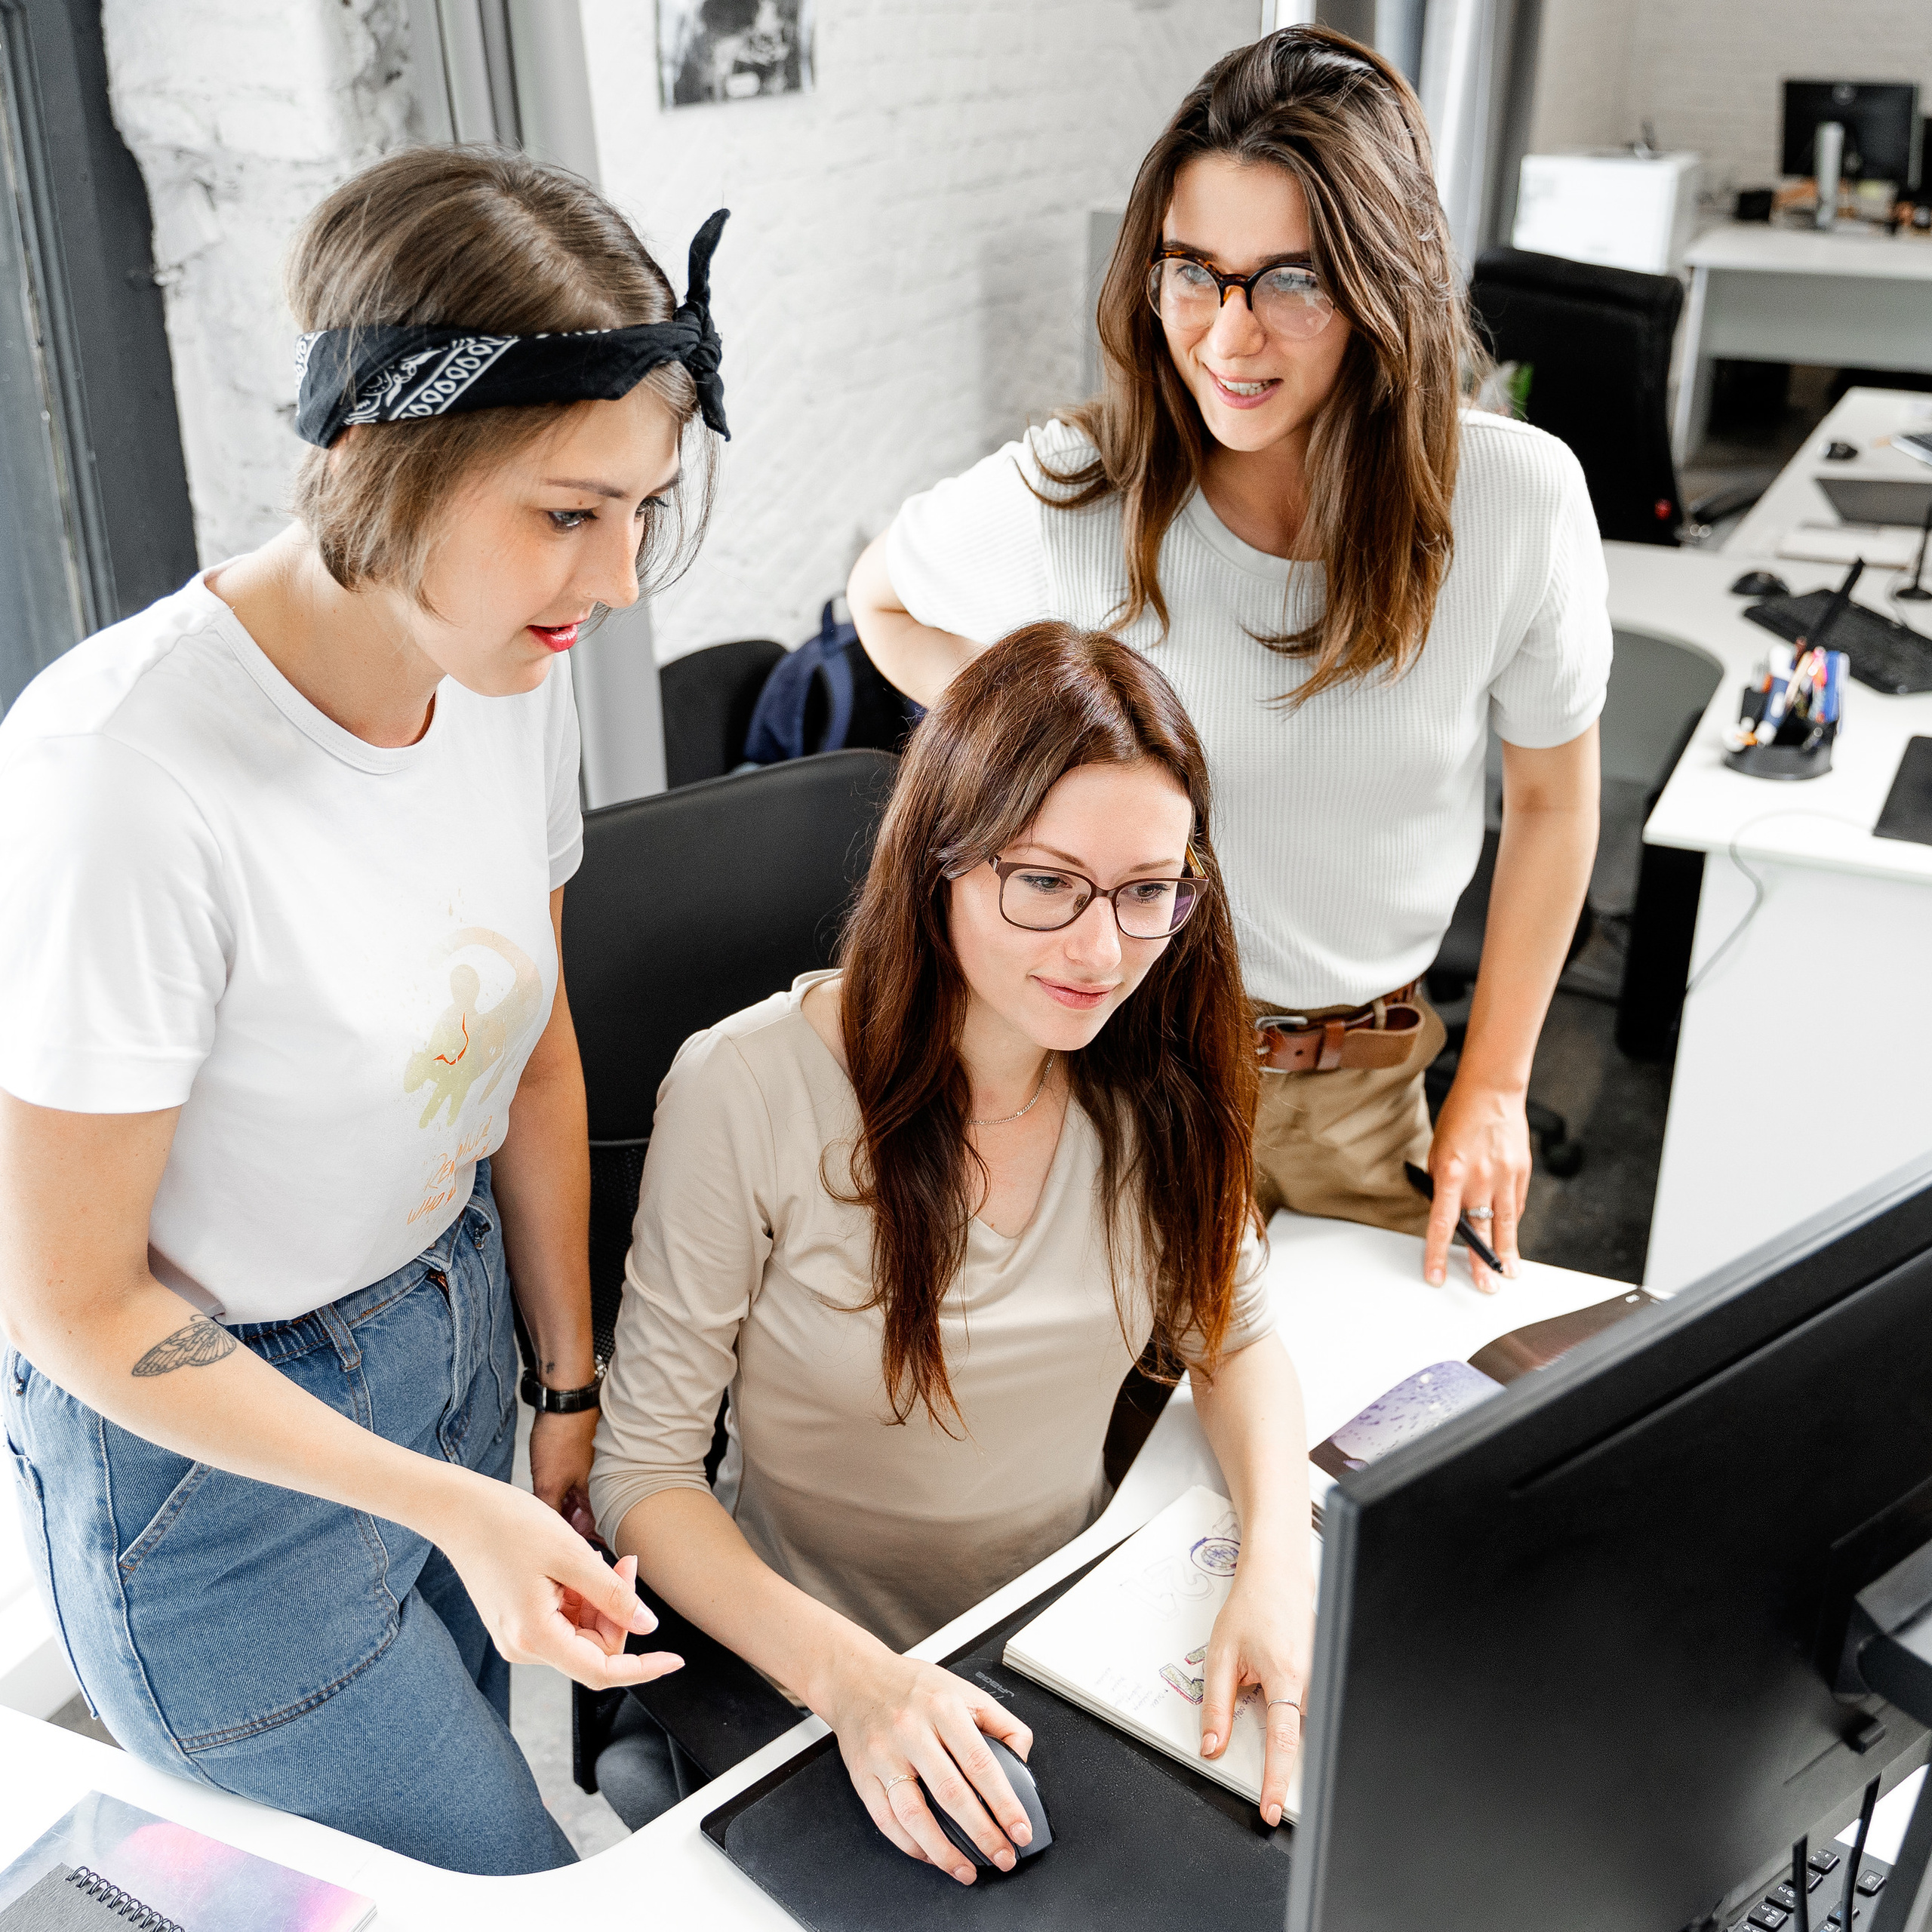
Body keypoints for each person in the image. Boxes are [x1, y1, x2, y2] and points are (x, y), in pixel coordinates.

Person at [0, 149, 731, 1873]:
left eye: (641, 509)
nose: (617, 583)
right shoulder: (121, 779)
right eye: (568, 510)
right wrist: (451, 1503)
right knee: (515, 1891)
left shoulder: (500, 664)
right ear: (375, 459)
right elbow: (73, 1301)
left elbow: (528, 1039)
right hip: (216, 1474)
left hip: (460, 1326)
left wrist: (560, 1381)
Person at [849, 26, 1609, 1291]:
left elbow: (1552, 800)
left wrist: (1499, 1084)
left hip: (1366, 1095)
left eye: (1293, 281)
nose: (1229, 335)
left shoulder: (1517, 500)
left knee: (1352, 1455)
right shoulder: (1075, 490)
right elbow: (883, 603)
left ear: (1384, 286)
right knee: (1108, 1470)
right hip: (1112, 1074)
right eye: (1193, 271)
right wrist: (1043, 749)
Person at [589, 624, 1315, 1880]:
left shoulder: (1156, 1071)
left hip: (1064, 1639)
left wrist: (1279, 1559)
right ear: (940, 864)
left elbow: (1235, 1337)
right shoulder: (747, 1088)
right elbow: (642, 1477)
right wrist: (855, 1687)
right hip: (810, 1676)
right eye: (1046, 883)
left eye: (1151, 890)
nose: (1103, 952)